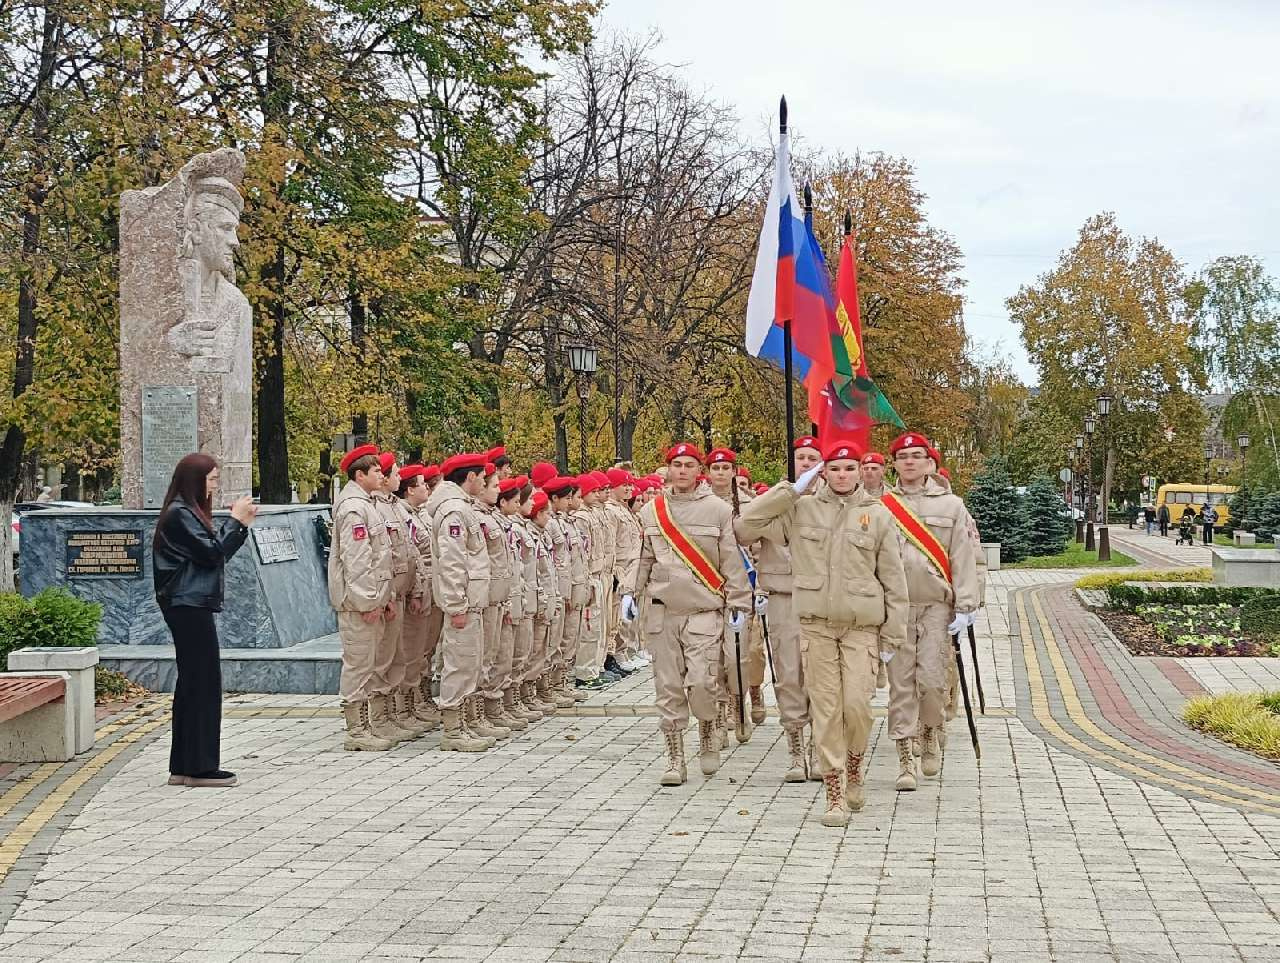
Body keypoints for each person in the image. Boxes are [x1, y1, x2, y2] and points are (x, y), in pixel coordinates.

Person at [737, 440, 908, 826]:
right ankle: (833, 789)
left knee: (858, 709)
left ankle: (854, 764)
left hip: (862, 628)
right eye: (835, 469)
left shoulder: (877, 515)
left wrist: (892, 637)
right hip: (816, 627)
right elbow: (745, 527)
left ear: (859, 472)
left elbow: (895, 581)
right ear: (824, 473)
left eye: (850, 468)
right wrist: (791, 489)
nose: (843, 475)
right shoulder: (801, 509)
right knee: (827, 710)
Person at [621, 443, 751, 785]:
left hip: (704, 609)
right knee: (668, 686)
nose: (681, 470)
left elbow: (731, 562)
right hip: (664, 611)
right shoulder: (652, 511)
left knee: (702, 682)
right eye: (676, 464)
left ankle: (708, 728)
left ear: (700, 471)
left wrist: (739, 604)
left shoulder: (717, 511)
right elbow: (643, 557)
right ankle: (675, 756)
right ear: (668, 469)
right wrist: (629, 593)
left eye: (689, 465)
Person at [884, 432, 980, 792]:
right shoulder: (881, 506)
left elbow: (962, 555)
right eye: (903, 456)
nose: (909, 461)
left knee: (932, 682)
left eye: (916, 456)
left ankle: (929, 731)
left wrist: (966, 605)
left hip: (936, 607)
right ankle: (905, 756)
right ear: (894, 463)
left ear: (929, 463)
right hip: (896, 608)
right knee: (900, 684)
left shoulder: (952, 506)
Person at [154, 453, 258, 786]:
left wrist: (236, 526)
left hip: (190, 603)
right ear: (194, 480)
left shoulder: (186, 513)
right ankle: (199, 767)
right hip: (187, 604)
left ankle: (186, 765)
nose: (214, 485)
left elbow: (213, 552)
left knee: (194, 682)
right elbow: (213, 554)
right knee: (203, 682)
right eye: (211, 479)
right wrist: (237, 523)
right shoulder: (179, 515)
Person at [329, 444, 399, 751]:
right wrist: (368, 601)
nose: (381, 476)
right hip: (360, 604)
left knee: (368, 663)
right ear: (360, 474)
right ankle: (356, 731)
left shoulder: (366, 504)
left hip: (372, 600)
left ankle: (365, 725)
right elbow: (357, 561)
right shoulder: (354, 508)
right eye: (376, 471)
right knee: (358, 664)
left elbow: (379, 559)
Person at [424, 452, 494, 752]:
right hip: (462, 603)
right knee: (459, 663)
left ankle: (462, 723)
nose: (485, 481)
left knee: (469, 663)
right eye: (482, 476)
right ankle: (453, 731)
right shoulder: (454, 511)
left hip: (471, 601)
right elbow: (452, 562)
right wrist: (456, 604)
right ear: (471, 477)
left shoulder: (461, 507)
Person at [707, 447, 765, 742]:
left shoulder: (749, 505)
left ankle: (742, 699)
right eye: (715, 468)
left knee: (743, 652)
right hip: (709, 587)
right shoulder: (700, 504)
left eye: (725, 468)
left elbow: (758, 549)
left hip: (745, 587)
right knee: (713, 655)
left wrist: (761, 585)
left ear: (733, 472)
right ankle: (720, 712)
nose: (720, 473)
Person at [397, 465, 443, 734]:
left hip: (430, 589)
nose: (427, 488)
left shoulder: (419, 515)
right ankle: (407, 705)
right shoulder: (404, 516)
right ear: (410, 489)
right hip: (419, 590)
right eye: (423, 484)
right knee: (413, 652)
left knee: (425, 650)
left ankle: (421, 699)